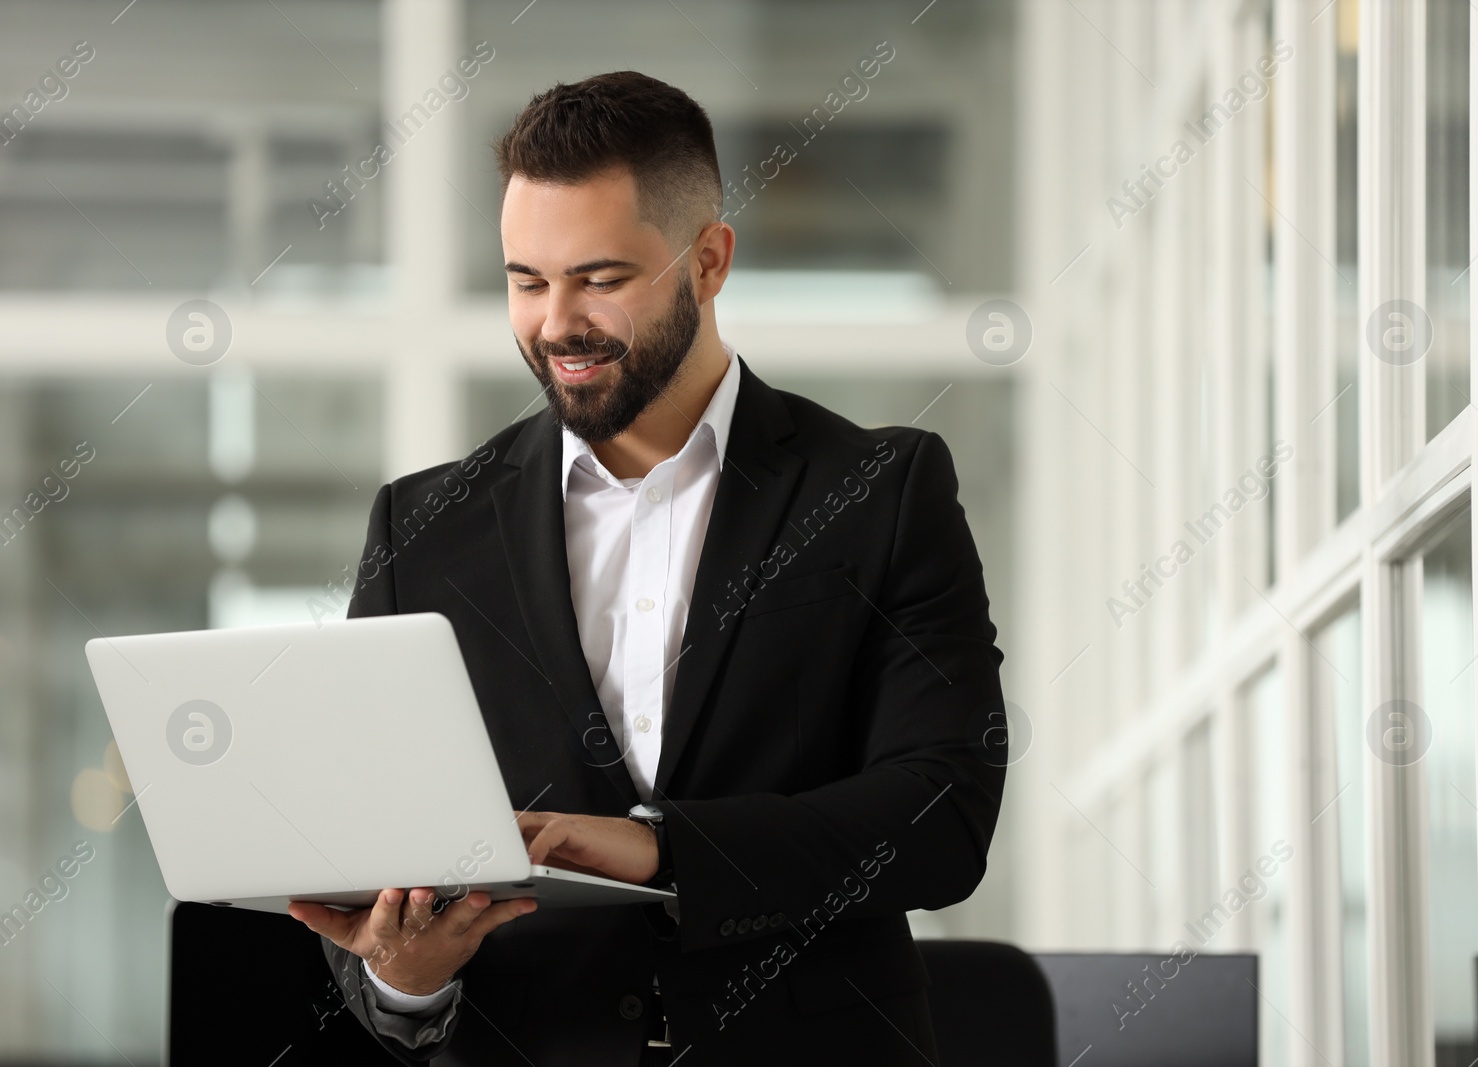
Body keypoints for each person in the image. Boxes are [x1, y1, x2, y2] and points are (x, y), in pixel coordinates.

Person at [287, 69, 1006, 1066]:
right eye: (525, 280)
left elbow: (942, 808)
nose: (555, 323)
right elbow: (373, 850)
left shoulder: (880, 489)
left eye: (601, 278)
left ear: (708, 260)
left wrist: (667, 846)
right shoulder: (424, 527)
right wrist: (402, 978)